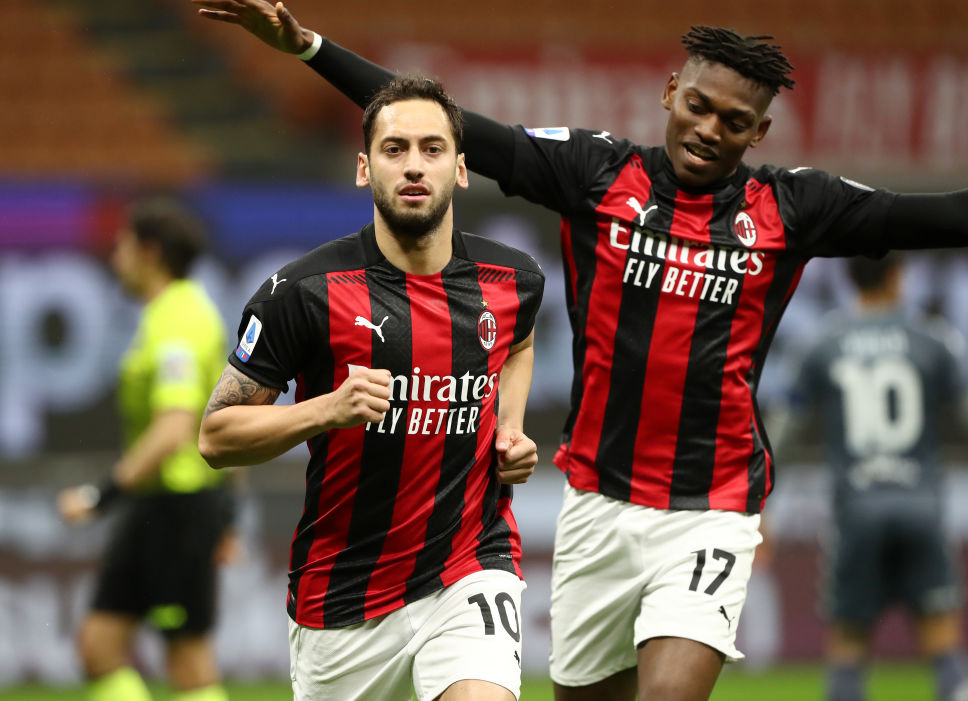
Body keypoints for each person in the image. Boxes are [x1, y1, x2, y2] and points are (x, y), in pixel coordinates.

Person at [191, 4, 968, 699]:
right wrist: (310, 47)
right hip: (598, 502)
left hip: (712, 504)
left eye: (735, 122)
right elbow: (459, 131)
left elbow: (928, 216)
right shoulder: (598, 173)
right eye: (698, 106)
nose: (709, 129)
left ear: (759, 133)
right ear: (671, 92)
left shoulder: (790, 206)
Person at [197, 76, 545, 701]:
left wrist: (510, 427)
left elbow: (518, 342)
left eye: (433, 149)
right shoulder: (303, 293)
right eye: (394, 149)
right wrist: (327, 409)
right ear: (364, 168)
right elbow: (217, 437)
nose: (414, 165)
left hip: (470, 567)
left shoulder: (512, 279)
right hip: (343, 596)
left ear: (461, 169)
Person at [57, 198, 235, 701]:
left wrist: (101, 495)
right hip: (158, 505)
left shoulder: (178, 320)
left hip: (179, 505)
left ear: (150, 251)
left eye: (123, 246)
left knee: (186, 656)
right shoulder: (172, 313)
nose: (116, 258)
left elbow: (174, 428)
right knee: (98, 645)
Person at [775, 256, 968, 701]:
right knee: (942, 643)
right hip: (922, 508)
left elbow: (783, 430)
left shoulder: (822, 342)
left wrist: (760, 505)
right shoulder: (933, 339)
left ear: (848, 277)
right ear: (898, 276)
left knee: (848, 645)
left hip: (855, 512)